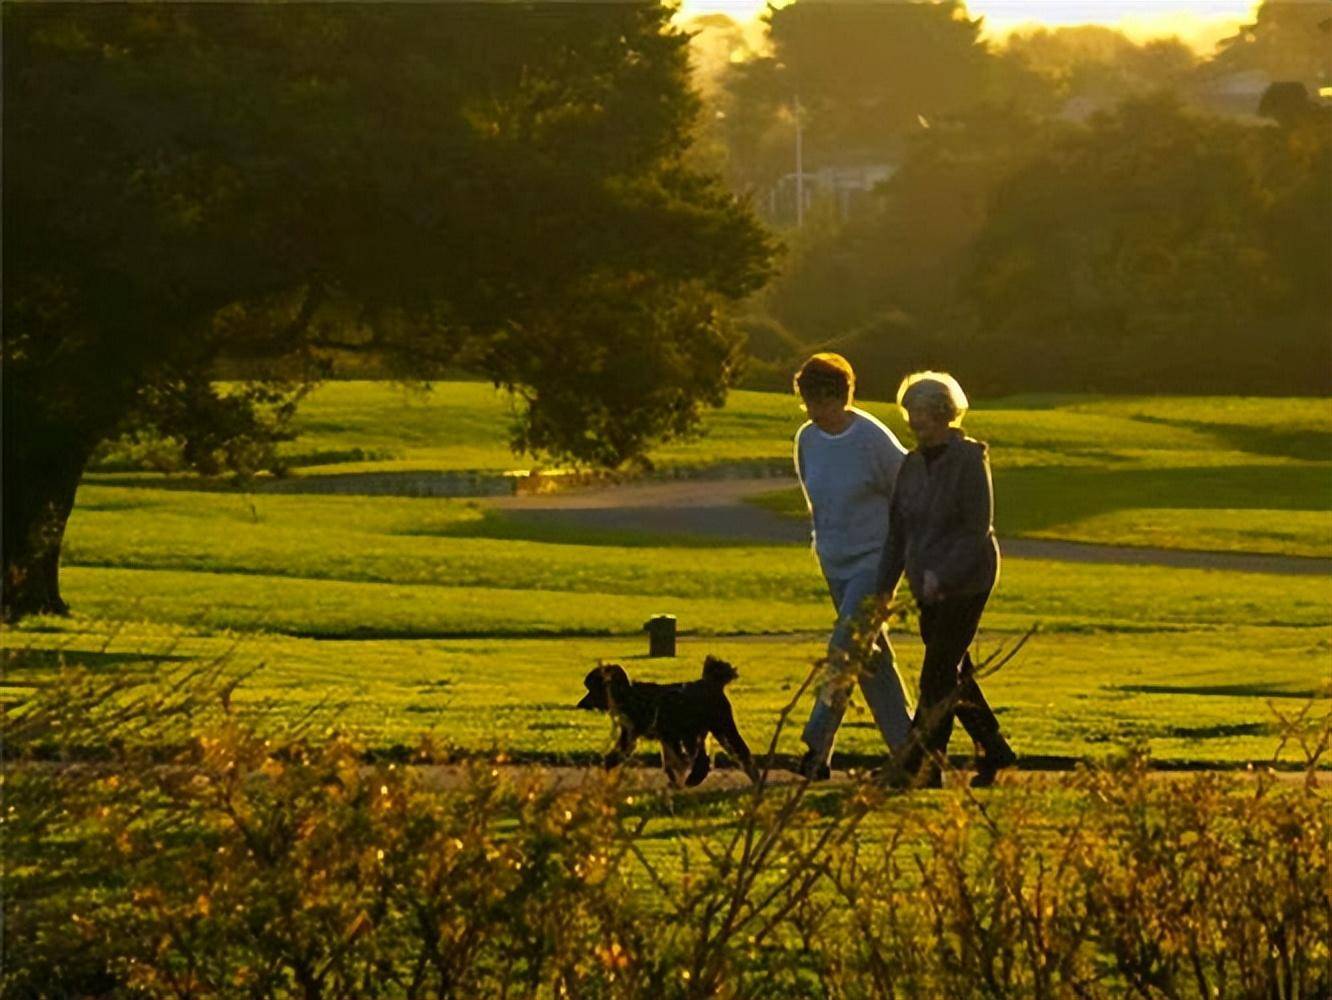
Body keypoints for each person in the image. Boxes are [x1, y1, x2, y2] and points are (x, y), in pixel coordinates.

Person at [876, 371, 1017, 789]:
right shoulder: (911, 464)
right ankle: (994, 749)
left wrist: (945, 574)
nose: (914, 420)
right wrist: (885, 589)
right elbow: (898, 534)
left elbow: (977, 529)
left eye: (920, 411)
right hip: (927, 583)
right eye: (910, 412)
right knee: (952, 673)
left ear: (942, 413)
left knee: (936, 672)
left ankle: (921, 765)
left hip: (968, 579)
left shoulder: (970, 460)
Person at [792, 353, 913, 780]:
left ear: (841, 397)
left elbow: (907, 492)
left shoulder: (871, 439)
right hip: (834, 562)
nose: (812, 411)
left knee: (844, 649)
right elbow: (815, 498)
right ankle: (909, 753)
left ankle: (814, 743)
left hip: (875, 561)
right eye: (807, 401)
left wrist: (901, 556)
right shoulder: (806, 438)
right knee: (871, 659)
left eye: (820, 401)